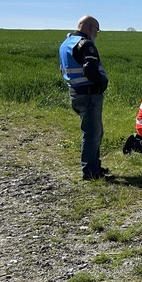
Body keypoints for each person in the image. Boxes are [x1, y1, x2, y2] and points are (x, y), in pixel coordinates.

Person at [59, 15, 109, 180]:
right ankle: (90, 172)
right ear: (90, 28)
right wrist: (102, 83)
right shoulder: (86, 44)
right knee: (92, 134)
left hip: (75, 92)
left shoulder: (66, 43)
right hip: (89, 94)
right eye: (97, 30)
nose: (97, 34)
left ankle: (95, 166)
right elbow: (90, 70)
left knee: (94, 132)